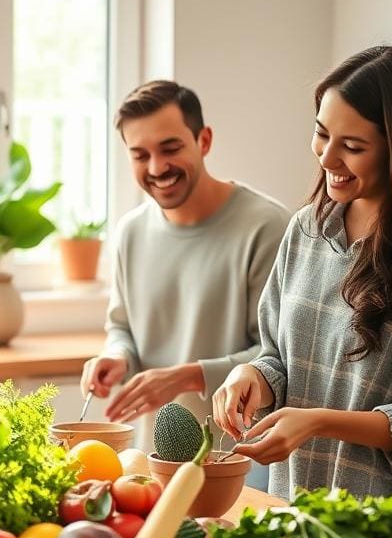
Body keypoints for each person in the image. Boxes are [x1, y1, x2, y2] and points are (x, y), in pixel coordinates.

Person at [212, 46, 392, 538]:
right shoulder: (307, 229)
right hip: (298, 519)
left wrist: (319, 421)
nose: (326, 158)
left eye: (353, 146)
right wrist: (252, 377)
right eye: (321, 133)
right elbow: (279, 357)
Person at [80, 80, 291, 455]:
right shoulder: (131, 232)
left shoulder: (267, 227)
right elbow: (122, 326)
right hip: (154, 458)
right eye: (140, 155)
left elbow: (280, 356)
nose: (157, 167)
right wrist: (118, 356)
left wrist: (188, 377)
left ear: (203, 141)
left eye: (170, 148)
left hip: (241, 458)